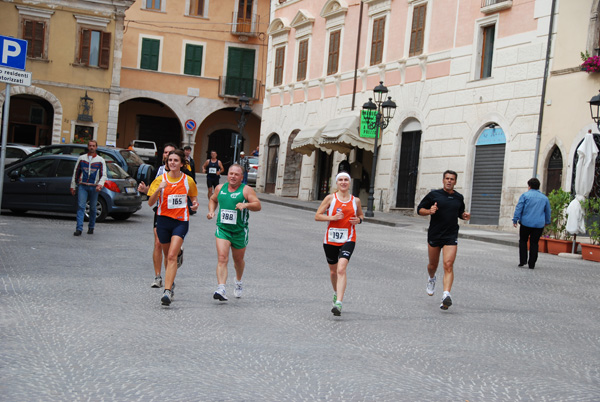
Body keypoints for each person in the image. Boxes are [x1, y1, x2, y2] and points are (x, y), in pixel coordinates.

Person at [147, 149, 199, 306]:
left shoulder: (188, 181)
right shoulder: (160, 180)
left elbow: (194, 200)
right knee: (167, 255)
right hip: (163, 221)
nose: (172, 163)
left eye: (176, 160)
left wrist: (195, 205)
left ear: (182, 163)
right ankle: (171, 280)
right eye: (170, 160)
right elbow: (150, 203)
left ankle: (167, 291)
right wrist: (159, 189)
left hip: (180, 221)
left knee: (171, 256)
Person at [417, 170, 471, 310]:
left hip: (450, 235)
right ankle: (432, 278)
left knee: (448, 264)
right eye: (447, 178)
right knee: (432, 265)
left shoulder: (459, 197)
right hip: (435, 234)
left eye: (452, 179)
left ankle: (446, 295)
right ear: (443, 180)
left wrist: (464, 215)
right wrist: (429, 211)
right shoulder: (434, 195)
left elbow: (459, 212)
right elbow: (420, 209)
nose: (449, 181)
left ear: (455, 181)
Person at [206, 164, 261, 301]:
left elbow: (258, 205)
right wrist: (212, 211)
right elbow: (213, 199)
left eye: (236, 174)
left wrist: (246, 205)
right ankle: (221, 288)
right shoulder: (220, 188)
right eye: (231, 173)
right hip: (223, 229)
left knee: (238, 261)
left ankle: (238, 281)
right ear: (227, 174)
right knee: (222, 258)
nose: (233, 176)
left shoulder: (246, 190)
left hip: (239, 231)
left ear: (242, 177)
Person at [314, 172, 364, 316]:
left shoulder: (356, 201)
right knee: (333, 271)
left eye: (346, 180)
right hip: (330, 239)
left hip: (348, 238)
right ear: (337, 183)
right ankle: (336, 292)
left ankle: (339, 303)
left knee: (342, 269)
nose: (343, 182)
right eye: (340, 180)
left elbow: (361, 215)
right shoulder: (330, 198)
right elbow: (317, 216)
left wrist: (359, 220)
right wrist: (332, 217)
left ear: (349, 183)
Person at [138, 143, 181, 288]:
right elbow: (153, 190)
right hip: (160, 211)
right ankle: (158, 276)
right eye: (165, 153)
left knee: (168, 249)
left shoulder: (182, 173)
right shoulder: (158, 171)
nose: (167, 155)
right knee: (158, 243)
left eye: (170, 153)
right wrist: (145, 190)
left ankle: (170, 276)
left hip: (176, 213)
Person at [70, 140, 107, 236]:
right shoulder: (82, 158)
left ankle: (91, 227)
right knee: (81, 206)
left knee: (93, 208)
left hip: (94, 187)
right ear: (88, 147)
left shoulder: (100, 160)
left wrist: (100, 185)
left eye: (93, 146)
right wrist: (73, 186)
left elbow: (104, 175)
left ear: (96, 147)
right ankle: (79, 228)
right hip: (83, 185)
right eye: (90, 146)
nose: (91, 147)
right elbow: (76, 172)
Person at [513, 178, 551, 269]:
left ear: (529, 186)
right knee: (534, 243)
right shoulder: (544, 198)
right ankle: (532, 263)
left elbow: (519, 208)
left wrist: (515, 219)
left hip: (526, 223)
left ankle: (523, 260)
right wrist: (547, 221)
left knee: (523, 241)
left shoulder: (525, 196)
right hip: (538, 225)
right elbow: (547, 211)